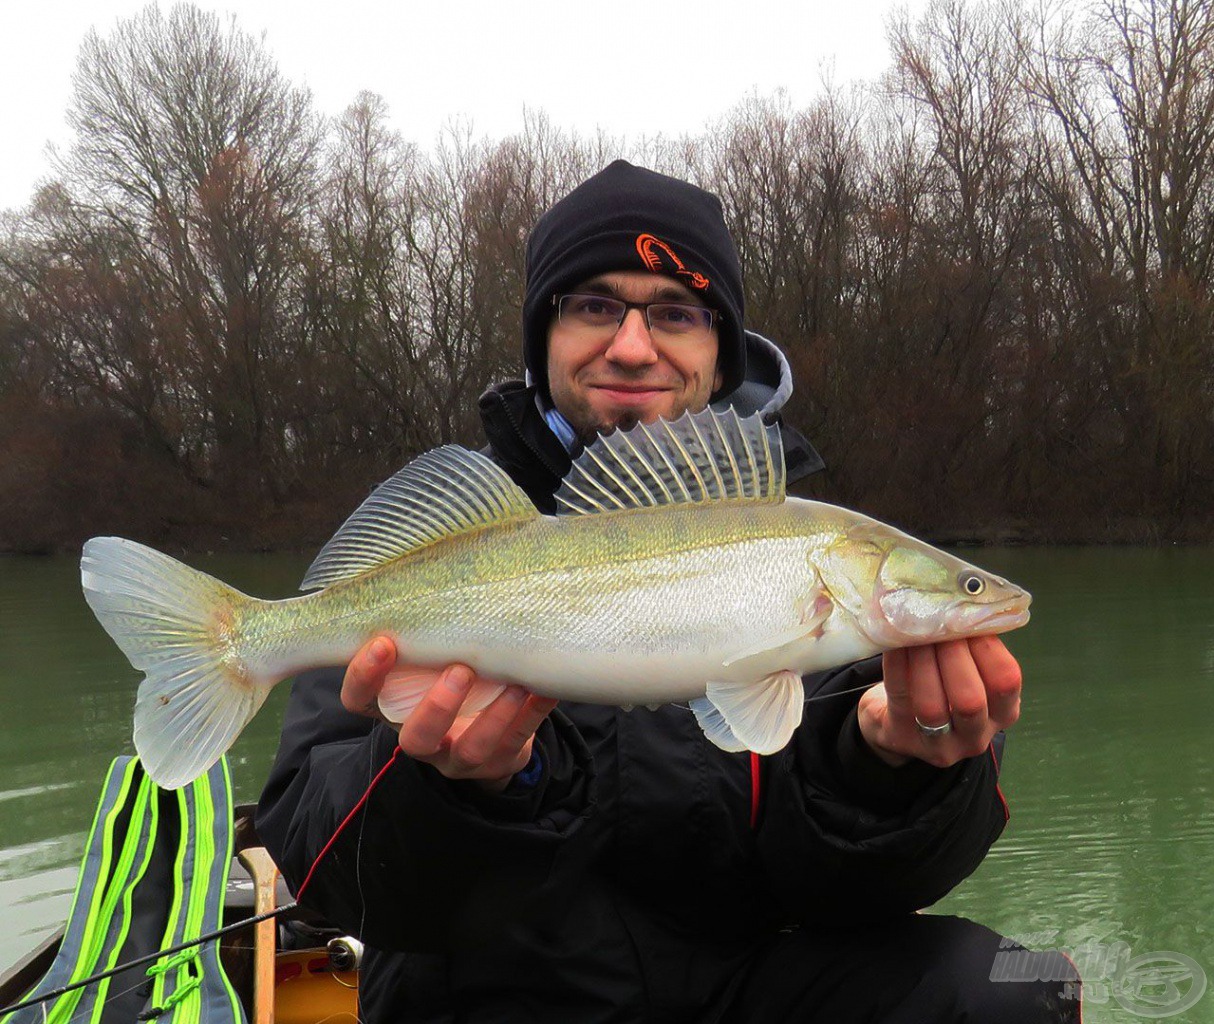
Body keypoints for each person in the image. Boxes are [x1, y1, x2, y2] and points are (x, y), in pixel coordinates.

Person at [256, 161, 1080, 1023]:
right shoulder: (446, 543)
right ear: (544, 338)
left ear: (720, 350)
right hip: (499, 996)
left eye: (676, 313)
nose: (633, 345)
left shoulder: (815, 563)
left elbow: (871, 885)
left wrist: (890, 771)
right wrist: (447, 786)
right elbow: (324, 869)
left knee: (1011, 993)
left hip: (755, 984)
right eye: (594, 306)